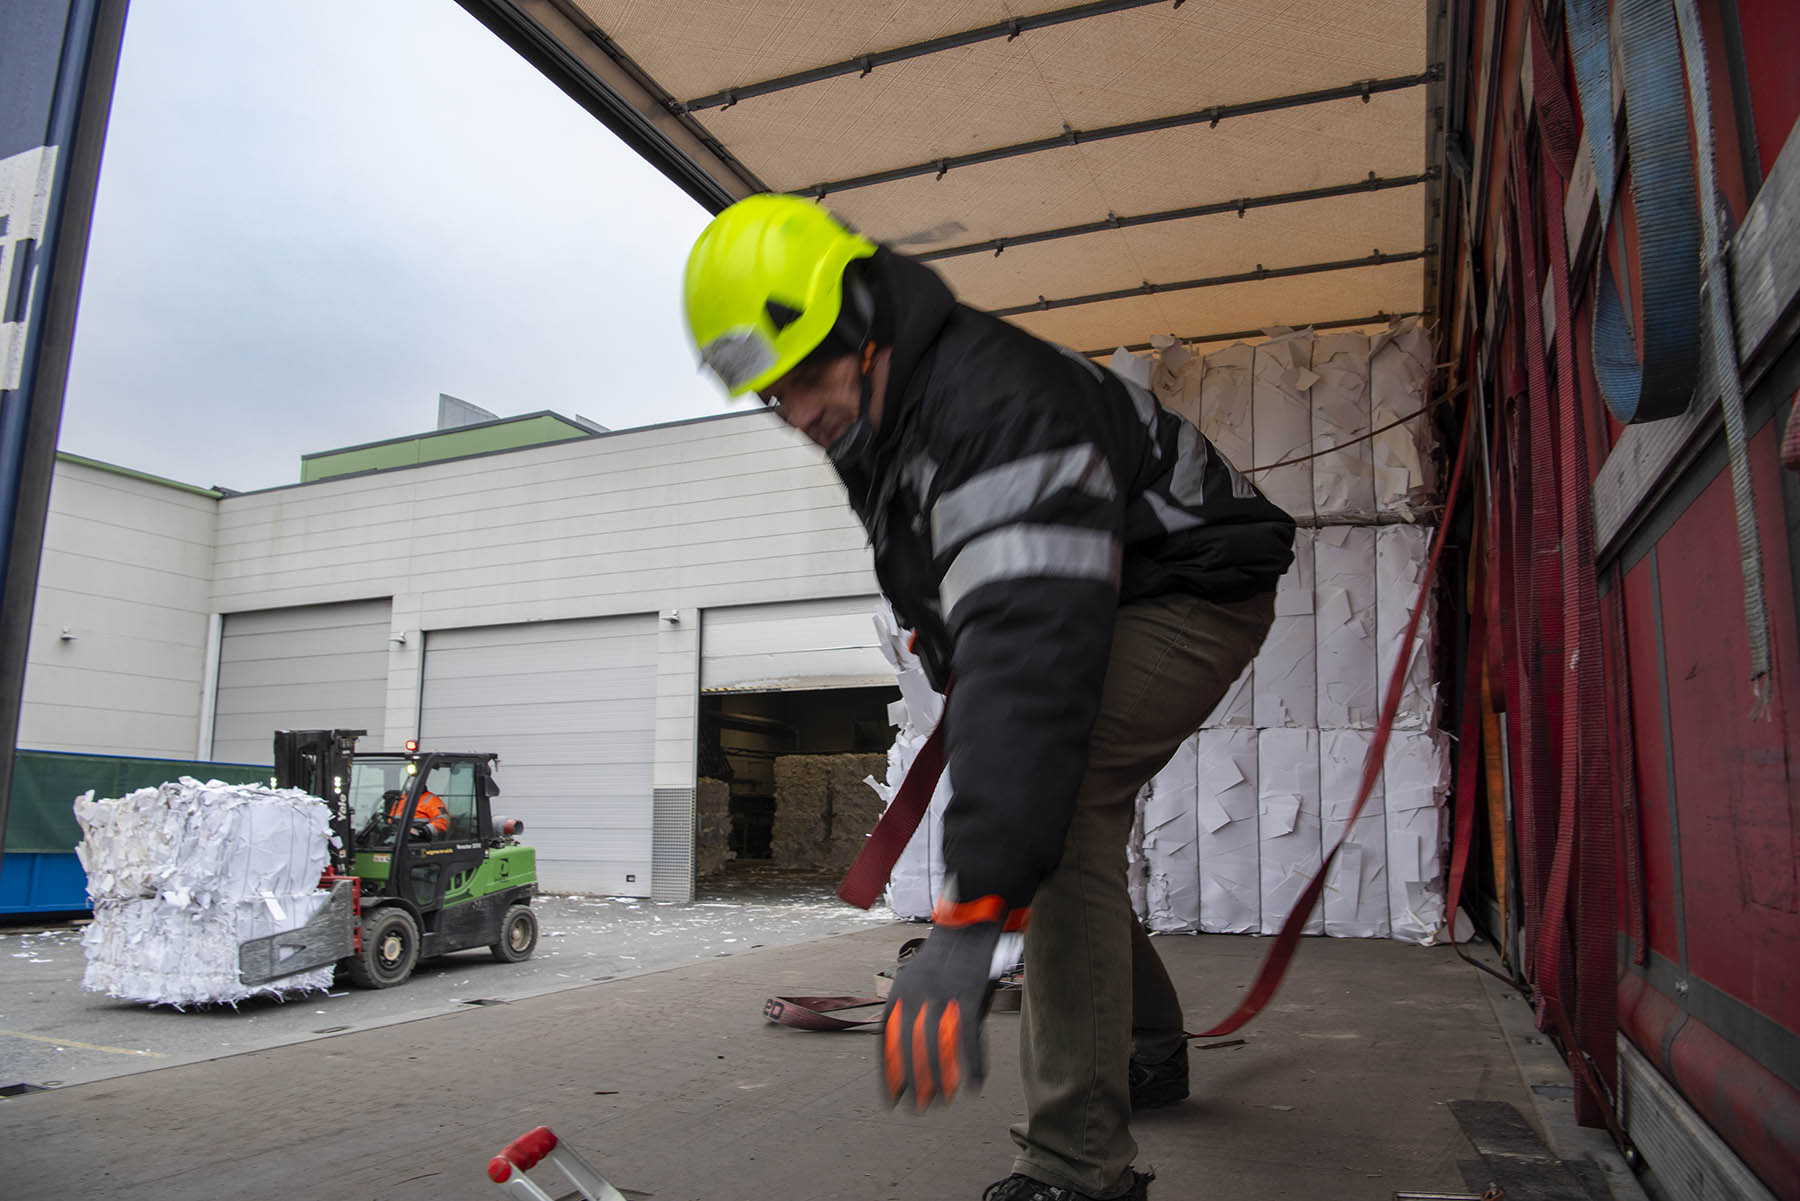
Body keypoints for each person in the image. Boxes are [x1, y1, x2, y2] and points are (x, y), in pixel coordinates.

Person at [683, 195, 1294, 1201]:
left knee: (1063, 808)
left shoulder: (988, 400)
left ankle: (1077, 1166)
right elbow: (954, 575)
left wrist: (971, 916)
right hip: (1106, 586)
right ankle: (1144, 1048)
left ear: (861, 323)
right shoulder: (875, 420)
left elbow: (1030, 646)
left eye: (801, 376)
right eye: (768, 394)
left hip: (1192, 586)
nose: (794, 413)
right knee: (1045, 804)